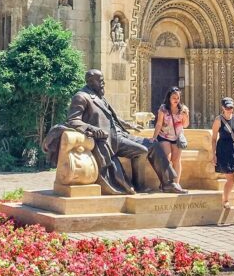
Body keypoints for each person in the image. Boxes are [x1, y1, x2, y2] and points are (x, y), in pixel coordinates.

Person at [51, 69, 187, 196]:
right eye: (101, 80)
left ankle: (169, 183)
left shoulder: (99, 96)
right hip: (109, 139)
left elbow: (111, 116)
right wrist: (92, 129)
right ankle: (139, 185)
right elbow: (73, 120)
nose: (103, 83)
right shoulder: (81, 97)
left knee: (154, 144)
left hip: (121, 134)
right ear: (91, 81)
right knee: (142, 150)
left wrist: (126, 123)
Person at [211, 98, 234, 213]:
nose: (229, 110)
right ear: (223, 108)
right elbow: (213, 139)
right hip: (224, 151)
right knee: (230, 179)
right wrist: (214, 155)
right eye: (227, 107)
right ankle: (225, 200)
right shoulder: (218, 120)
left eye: (231, 107)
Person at [153, 86, 190, 184]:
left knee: (176, 160)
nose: (176, 100)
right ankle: (165, 183)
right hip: (164, 136)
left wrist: (185, 116)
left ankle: (176, 184)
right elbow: (159, 123)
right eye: (174, 98)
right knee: (167, 158)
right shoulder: (163, 109)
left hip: (177, 138)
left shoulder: (183, 109)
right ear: (169, 98)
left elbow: (185, 125)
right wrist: (154, 137)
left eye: (178, 98)